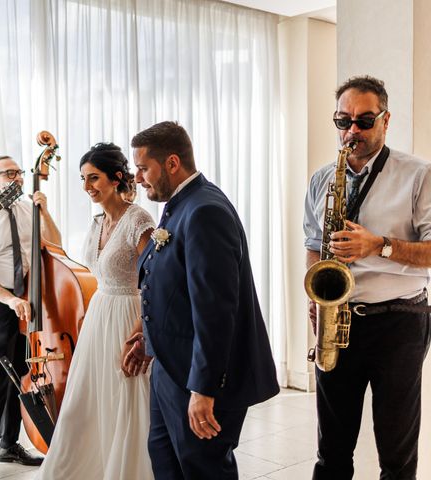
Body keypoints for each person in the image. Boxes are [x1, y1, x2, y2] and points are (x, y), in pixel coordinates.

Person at [124, 121, 279, 479]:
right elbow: (171, 287)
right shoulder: (180, 204)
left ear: (173, 163)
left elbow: (215, 311)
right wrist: (149, 341)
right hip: (168, 368)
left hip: (198, 377)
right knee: (166, 463)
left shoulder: (205, 211)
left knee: (203, 469)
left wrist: (203, 389)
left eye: (144, 168)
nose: (138, 178)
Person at [303, 75, 431, 479]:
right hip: (339, 320)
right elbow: (313, 244)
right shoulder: (323, 178)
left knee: (395, 450)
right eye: (343, 121)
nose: (352, 131)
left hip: (400, 321)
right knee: (332, 449)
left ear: (386, 120)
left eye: (364, 121)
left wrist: (379, 246)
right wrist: (316, 298)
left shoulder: (418, 175)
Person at [35, 143, 155, 480]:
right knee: (86, 401)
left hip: (128, 314)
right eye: (83, 179)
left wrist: (141, 328)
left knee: (126, 397)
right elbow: (67, 256)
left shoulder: (139, 219)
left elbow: (153, 279)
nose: (88, 186)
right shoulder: (97, 221)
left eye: (94, 178)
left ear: (117, 178)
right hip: (98, 315)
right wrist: (43, 214)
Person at [0, 155, 61, 480]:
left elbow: (55, 246)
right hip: (0, 302)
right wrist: (9, 299)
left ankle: (9, 444)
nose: (18, 178)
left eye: (20, 172)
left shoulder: (27, 211)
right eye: (10, 173)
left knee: (22, 372)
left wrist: (44, 211)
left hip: (31, 300)